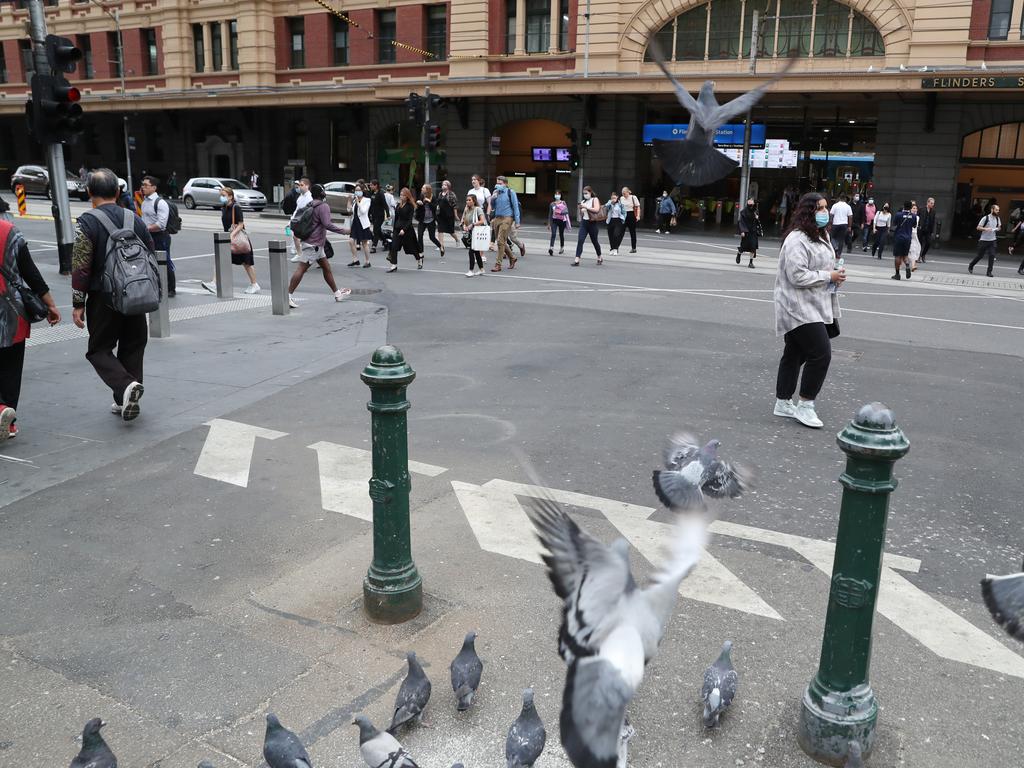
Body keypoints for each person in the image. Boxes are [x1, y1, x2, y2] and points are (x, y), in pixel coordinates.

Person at [72, 168, 155, 422]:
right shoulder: (135, 219)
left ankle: (125, 386)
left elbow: (81, 264)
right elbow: (150, 255)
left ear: (89, 192)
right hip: (136, 293)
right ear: (118, 192)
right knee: (133, 344)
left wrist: (78, 302)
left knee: (98, 350)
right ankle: (126, 397)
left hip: (103, 297)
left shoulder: (87, 221)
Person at [772, 192, 845, 430]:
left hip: (813, 303)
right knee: (821, 354)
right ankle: (805, 405)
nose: (825, 212)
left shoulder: (819, 234)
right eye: (820, 208)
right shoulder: (797, 239)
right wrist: (828, 276)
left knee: (795, 353)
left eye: (826, 208)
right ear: (808, 211)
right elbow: (797, 275)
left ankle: (783, 402)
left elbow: (820, 266)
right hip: (797, 306)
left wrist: (835, 276)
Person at [0, 219, 61, 439]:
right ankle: (8, 421)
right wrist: (51, 304)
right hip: (11, 312)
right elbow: (31, 273)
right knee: (10, 368)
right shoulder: (10, 232)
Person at [287, 184, 351, 306]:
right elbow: (327, 224)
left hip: (314, 243)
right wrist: (344, 231)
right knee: (301, 269)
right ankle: (288, 296)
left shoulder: (310, 204)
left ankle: (337, 294)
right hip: (314, 244)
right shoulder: (323, 206)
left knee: (326, 268)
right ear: (322, 193)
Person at [201, 187, 260, 294]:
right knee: (219, 260)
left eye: (223, 195)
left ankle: (254, 284)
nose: (221, 198)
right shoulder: (224, 207)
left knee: (246, 263)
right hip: (227, 239)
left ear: (230, 196)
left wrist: (232, 235)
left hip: (237, 239)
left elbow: (241, 225)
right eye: (221, 195)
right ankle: (214, 283)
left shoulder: (236, 207)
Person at [140, 175, 175, 297]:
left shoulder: (160, 203)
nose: (143, 187)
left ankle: (171, 288)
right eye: (142, 184)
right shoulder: (144, 202)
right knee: (149, 260)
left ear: (154, 188)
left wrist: (145, 228)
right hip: (148, 236)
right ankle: (157, 285)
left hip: (160, 236)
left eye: (146, 185)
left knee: (164, 260)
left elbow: (161, 224)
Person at [487, 175, 520, 272]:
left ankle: (498, 264)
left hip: (507, 218)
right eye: (497, 183)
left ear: (505, 184)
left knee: (500, 241)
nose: (498, 185)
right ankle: (512, 258)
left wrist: (517, 221)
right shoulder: (495, 192)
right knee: (500, 241)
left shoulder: (511, 192)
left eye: (500, 183)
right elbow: (493, 206)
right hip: (497, 218)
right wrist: (493, 198)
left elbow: (515, 207)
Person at [387, 187, 422, 272]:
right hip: (397, 229)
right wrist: (393, 228)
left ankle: (419, 259)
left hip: (407, 230)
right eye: (400, 195)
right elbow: (396, 218)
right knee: (394, 246)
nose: (401, 196)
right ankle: (394, 265)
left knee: (412, 248)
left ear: (407, 196)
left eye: (403, 195)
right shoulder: (398, 205)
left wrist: (404, 230)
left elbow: (409, 220)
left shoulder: (410, 206)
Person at [573, 186, 603, 266]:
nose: (585, 195)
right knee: (580, 240)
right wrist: (581, 210)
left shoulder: (595, 199)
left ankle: (599, 256)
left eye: (586, 193)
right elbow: (582, 214)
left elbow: (596, 209)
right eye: (584, 193)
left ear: (590, 192)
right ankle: (577, 259)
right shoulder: (583, 201)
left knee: (594, 241)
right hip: (584, 223)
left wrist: (586, 207)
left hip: (592, 223)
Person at [345, 184, 373, 268]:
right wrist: (349, 201)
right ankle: (355, 260)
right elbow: (349, 210)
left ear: (362, 191)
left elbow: (364, 211)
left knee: (364, 243)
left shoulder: (367, 200)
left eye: (359, 190)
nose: (357, 192)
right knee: (351, 241)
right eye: (356, 190)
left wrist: (358, 202)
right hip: (355, 223)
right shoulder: (354, 200)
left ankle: (368, 261)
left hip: (363, 224)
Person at [968, 203, 1001, 277]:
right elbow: (978, 227)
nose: (997, 211)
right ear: (992, 210)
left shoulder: (997, 218)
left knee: (992, 255)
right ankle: (971, 265)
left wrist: (997, 229)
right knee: (980, 256)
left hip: (992, 240)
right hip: (984, 240)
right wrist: (986, 229)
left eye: (998, 210)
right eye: (996, 210)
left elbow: (999, 227)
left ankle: (989, 272)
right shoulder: (985, 218)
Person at [890, 200, 918, 280]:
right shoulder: (913, 216)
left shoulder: (899, 214)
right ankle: (908, 265)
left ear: (904, 206)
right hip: (908, 238)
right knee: (905, 255)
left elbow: (894, 224)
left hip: (899, 237)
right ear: (910, 207)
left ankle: (897, 274)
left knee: (897, 256)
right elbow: (914, 225)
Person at [415, 184, 444, 257]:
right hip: (422, 220)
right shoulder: (421, 195)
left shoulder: (433, 197)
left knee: (432, 237)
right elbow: (418, 207)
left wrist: (429, 201)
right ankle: (421, 252)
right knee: (420, 236)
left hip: (431, 220)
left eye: (423, 188)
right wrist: (419, 203)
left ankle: (440, 246)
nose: (421, 189)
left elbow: (435, 208)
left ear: (427, 189)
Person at [462, 193, 486, 277]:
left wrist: (473, 224)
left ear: (474, 201)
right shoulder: (466, 210)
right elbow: (465, 221)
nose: (468, 201)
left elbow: (482, 221)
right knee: (476, 252)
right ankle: (481, 269)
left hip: (477, 233)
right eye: (467, 200)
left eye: (469, 200)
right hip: (471, 233)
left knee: (471, 252)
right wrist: (465, 226)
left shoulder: (478, 209)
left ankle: (471, 270)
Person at [289, 178, 313, 262]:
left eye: (302, 185)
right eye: (299, 185)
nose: (300, 187)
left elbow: (305, 211)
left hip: (305, 221)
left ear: (307, 186)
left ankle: (303, 255)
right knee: (296, 237)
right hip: (299, 220)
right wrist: (292, 219)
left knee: (302, 239)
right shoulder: (301, 196)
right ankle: (300, 254)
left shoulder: (309, 197)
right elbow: (297, 209)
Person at [436, 180, 460, 254]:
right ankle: (441, 246)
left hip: (449, 215)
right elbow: (438, 203)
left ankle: (457, 240)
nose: (443, 186)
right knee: (440, 230)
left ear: (448, 186)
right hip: (440, 215)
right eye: (443, 185)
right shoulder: (440, 194)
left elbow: (455, 205)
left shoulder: (451, 194)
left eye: (445, 185)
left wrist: (455, 215)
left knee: (451, 231)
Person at [736, 198, 761, 268]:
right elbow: (741, 222)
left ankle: (751, 262)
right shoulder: (744, 211)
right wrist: (742, 231)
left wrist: (757, 218)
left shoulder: (756, 211)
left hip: (753, 231)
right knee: (743, 247)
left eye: (752, 200)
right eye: (749, 200)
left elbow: (758, 221)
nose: (750, 201)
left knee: (753, 247)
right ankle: (739, 254)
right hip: (746, 232)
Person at [367, 180, 389, 254]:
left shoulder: (380, 193)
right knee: (378, 230)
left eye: (371, 185)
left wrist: (388, 214)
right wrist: (369, 214)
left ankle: (374, 246)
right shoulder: (372, 193)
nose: (370, 186)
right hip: (373, 214)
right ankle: (386, 242)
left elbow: (385, 205)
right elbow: (371, 205)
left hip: (380, 215)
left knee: (375, 230)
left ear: (376, 185)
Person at [829, 194, 853, 259]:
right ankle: (839, 254)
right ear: (845, 199)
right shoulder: (848, 206)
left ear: (839, 198)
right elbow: (850, 217)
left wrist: (830, 224)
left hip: (835, 224)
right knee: (841, 240)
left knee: (832, 237)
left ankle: (835, 247)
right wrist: (849, 226)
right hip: (844, 224)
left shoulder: (835, 205)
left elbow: (831, 215)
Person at [547, 190, 570, 256]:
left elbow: (566, 212)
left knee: (561, 234)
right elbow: (550, 214)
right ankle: (551, 248)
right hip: (554, 221)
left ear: (560, 195)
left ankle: (562, 247)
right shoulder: (552, 204)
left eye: (558, 194)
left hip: (562, 221)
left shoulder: (563, 203)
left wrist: (559, 211)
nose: (557, 195)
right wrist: (549, 223)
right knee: (553, 234)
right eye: (556, 194)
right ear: (554, 195)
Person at [604, 192, 626, 257]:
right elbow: (606, 208)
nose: (613, 199)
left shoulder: (620, 204)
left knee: (616, 234)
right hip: (610, 220)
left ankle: (616, 249)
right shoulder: (609, 203)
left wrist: (623, 219)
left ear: (617, 197)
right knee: (610, 235)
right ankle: (612, 249)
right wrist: (610, 203)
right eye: (612, 197)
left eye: (614, 197)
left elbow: (624, 212)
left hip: (618, 220)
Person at [620, 186, 641, 253]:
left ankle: (634, 248)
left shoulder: (633, 197)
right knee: (621, 232)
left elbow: (638, 207)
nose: (624, 195)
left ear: (628, 192)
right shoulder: (621, 198)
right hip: (624, 215)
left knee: (632, 232)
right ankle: (616, 247)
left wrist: (638, 216)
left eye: (624, 193)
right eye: (622, 193)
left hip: (631, 215)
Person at [917, 197, 937, 263]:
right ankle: (918, 257)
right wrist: (918, 226)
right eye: (931, 203)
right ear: (927, 202)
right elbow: (917, 218)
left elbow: (933, 221)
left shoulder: (933, 211)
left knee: (928, 242)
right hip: (921, 229)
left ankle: (923, 255)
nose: (932, 205)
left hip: (928, 230)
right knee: (919, 243)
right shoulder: (921, 209)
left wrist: (932, 231)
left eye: (933, 203)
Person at [907, 202, 922, 273]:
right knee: (910, 249)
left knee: (915, 249)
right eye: (913, 208)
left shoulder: (917, 217)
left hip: (914, 234)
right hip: (909, 234)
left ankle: (912, 265)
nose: (915, 209)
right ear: (910, 209)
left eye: (916, 208)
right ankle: (910, 265)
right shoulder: (909, 216)